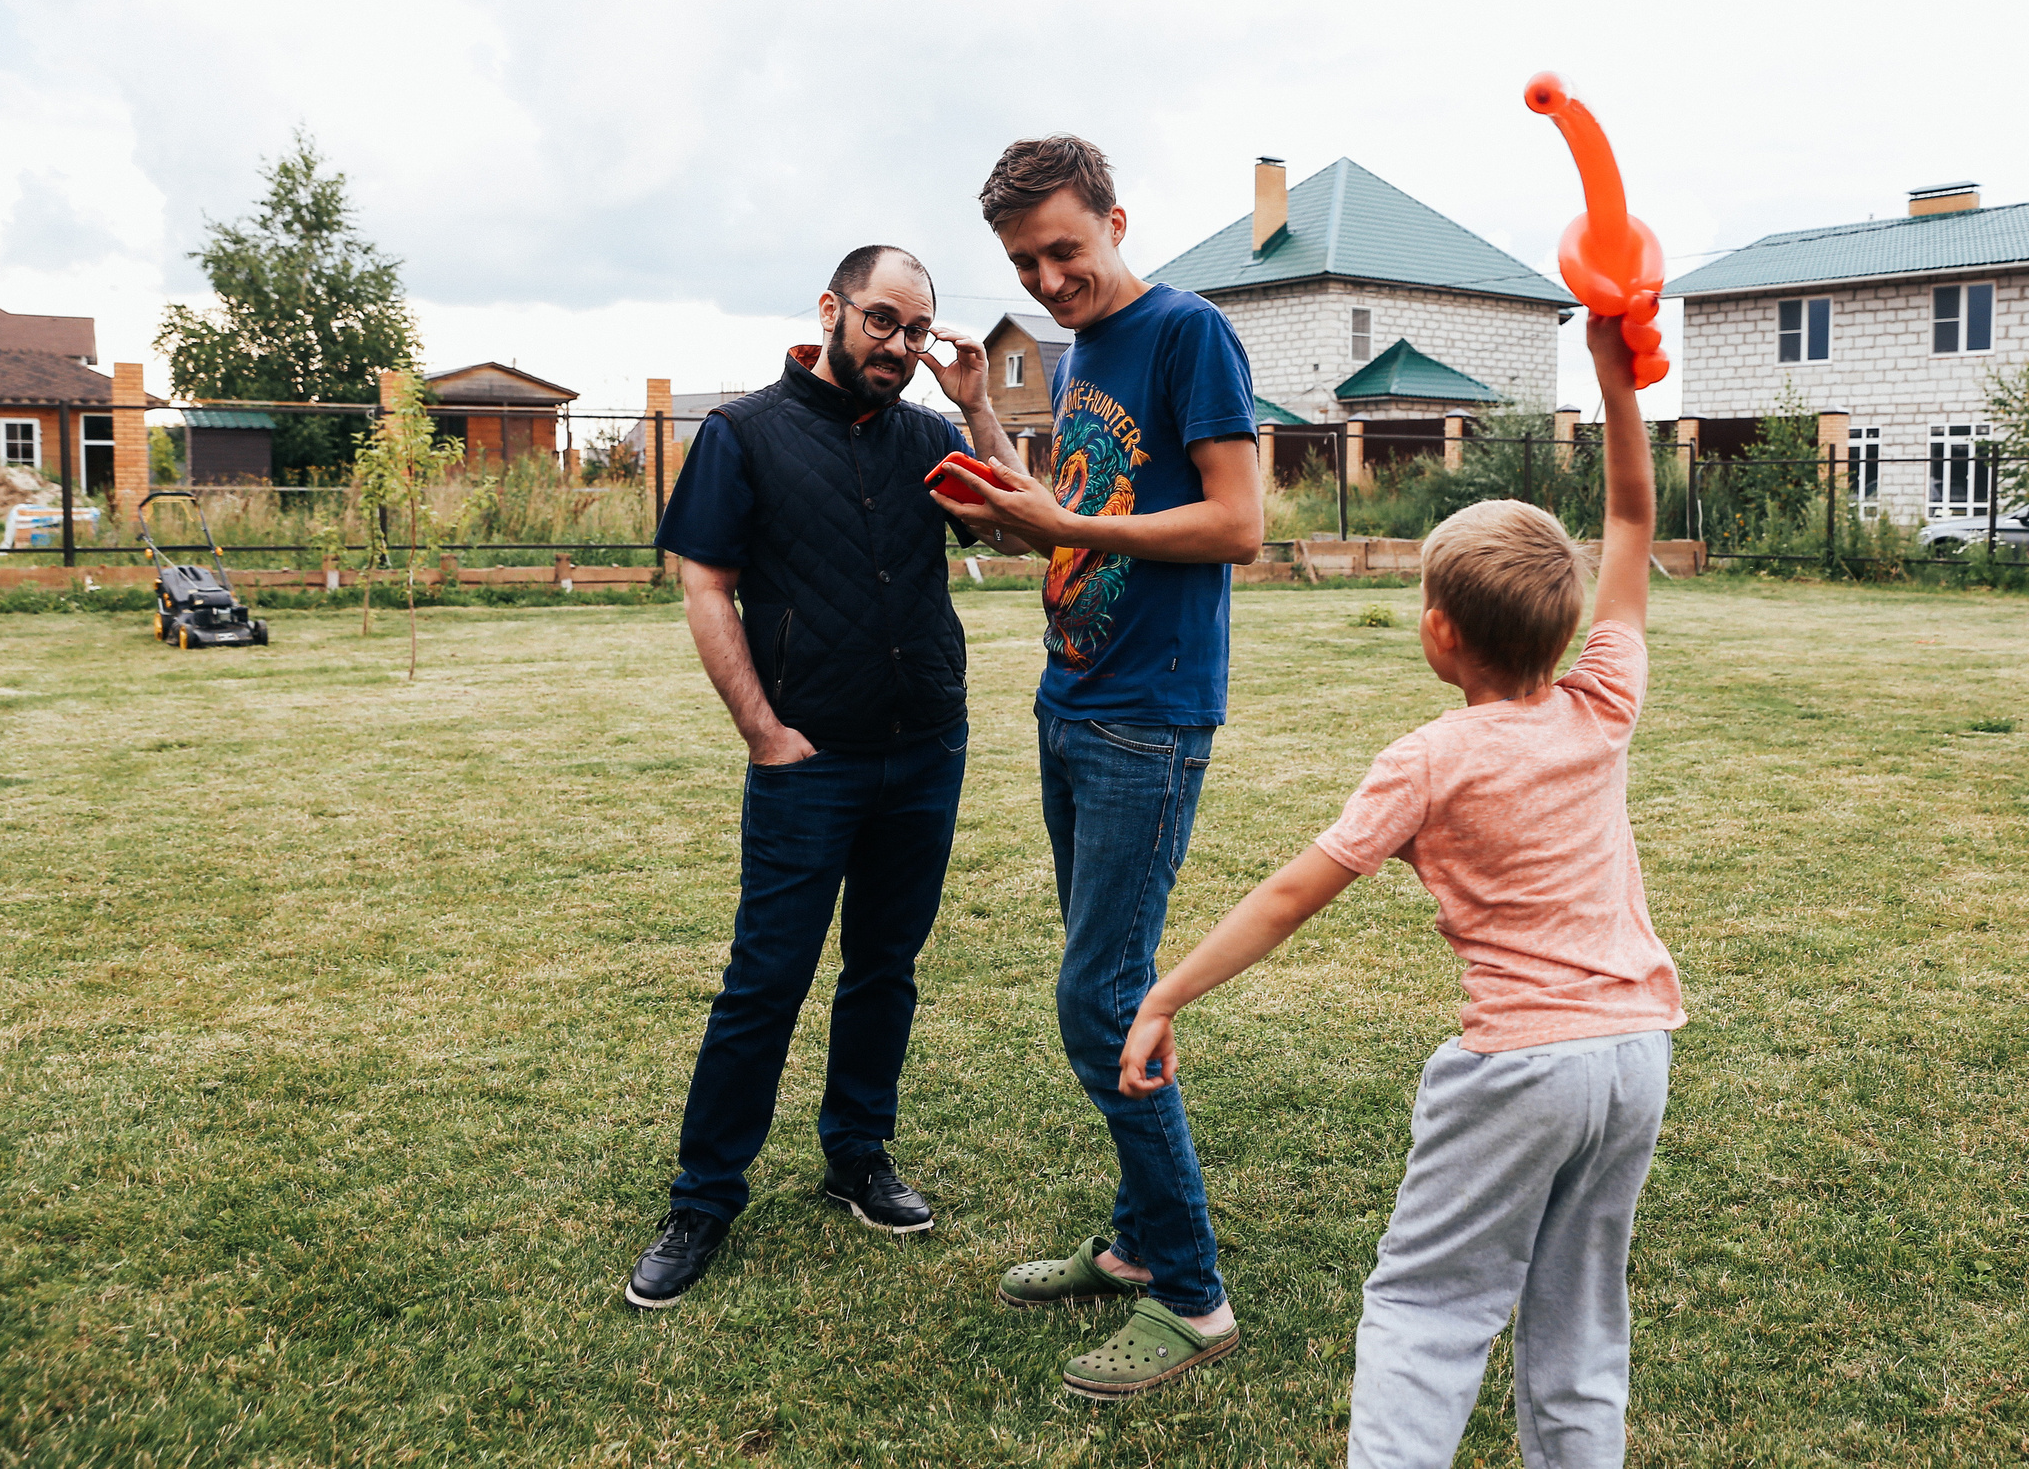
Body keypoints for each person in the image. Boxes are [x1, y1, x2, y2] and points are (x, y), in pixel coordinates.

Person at [1116, 314, 1683, 1463]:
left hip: (1518, 1064)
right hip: (1636, 1053)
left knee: (1426, 1309)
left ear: (1436, 632)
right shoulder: (1601, 703)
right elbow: (1630, 516)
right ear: (1566, 627)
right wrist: (1616, 378)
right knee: (1580, 1322)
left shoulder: (1428, 759)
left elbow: (1287, 896)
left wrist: (1166, 993)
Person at [624, 244, 1031, 1310]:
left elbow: (1013, 527)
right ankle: (703, 1201)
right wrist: (762, 732)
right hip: (810, 760)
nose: (899, 345)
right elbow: (706, 586)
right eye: (882, 322)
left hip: (926, 746)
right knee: (764, 983)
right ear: (833, 311)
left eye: (917, 329)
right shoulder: (742, 434)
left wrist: (978, 408)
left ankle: (857, 1155)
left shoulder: (928, 436)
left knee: (885, 967)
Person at [924, 135, 1263, 1401]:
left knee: (1103, 998)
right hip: (1069, 697)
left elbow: (1237, 523)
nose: (1051, 276)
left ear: (1117, 220)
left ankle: (1190, 1294)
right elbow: (1066, 514)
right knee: (1101, 975)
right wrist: (977, 418)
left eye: (1066, 248)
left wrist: (1062, 522)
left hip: (1149, 718)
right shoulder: (1079, 358)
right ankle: (1132, 1248)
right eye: (1025, 261)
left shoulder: (1186, 333)